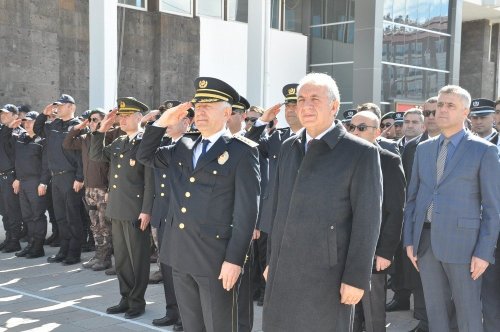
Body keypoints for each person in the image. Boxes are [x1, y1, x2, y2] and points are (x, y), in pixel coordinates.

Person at [136, 77, 260, 332]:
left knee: (220, 326)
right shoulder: (184, 144)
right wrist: (161, 122)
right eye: (198, 105)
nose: (200, 111)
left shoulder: (241, 152)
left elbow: (247, 213)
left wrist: (235, 260)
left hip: (215, 260)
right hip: (180, 254)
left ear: (227, 113)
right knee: (192, 326)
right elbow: (144, 155)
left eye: (208, 106)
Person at [262, 73, 383, 331]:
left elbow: (368, 220)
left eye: (314, 99)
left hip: (328, 275)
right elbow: (278, 210)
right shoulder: (289, 147)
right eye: (301, 99)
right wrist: (272, 259)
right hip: (283, 271)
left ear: (334, 106)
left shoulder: (360, 152)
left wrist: (356, 277)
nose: (305, 106)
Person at [403, 85, 500, 331]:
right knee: (436, 314)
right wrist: (409, 240)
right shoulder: (424, 149)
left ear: (465, 111)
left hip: (465, 246)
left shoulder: (484, 150)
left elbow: (492, 207)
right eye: (440, 105)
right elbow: (412, 198)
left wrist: (484, 252)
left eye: (450, 105)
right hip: (425, 243)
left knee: (468, 313)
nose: (441, 110)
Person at [89, 97, 154, 319]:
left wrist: (147, 209)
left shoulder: (146, 142)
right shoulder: (119, 142)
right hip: (117, 208)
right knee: (123, 259)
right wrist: (102, 130)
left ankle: (137, 301)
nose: (122, 120)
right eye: (121, 116)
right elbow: (96, 155)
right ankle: (125, 297)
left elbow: (150, 180)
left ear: (139, 117)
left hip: (136, 210)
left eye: (127, 116)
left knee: (138, 258)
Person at [349, 111, 406, 332]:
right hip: (344, 248)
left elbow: (395, 211)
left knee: (373, 313)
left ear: (377, 132)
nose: (355, 132)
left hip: (374, 250)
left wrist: (385, 251)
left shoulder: (389, 161)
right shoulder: (341, 159)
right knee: (348, 310)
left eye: (362, 128)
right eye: (352, 127)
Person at [141, 100, 189, 331]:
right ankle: (172, 311)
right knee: (167, 267)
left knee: (181, 270)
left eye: (174, 119)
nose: (169, 124)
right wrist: (157, 124)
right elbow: (141, 153)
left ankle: (184, 316)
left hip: (181, 218)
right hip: (163, 215)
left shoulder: (191, 146)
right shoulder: (165, 146)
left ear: (187, 122)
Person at [62, 108, 121, 271]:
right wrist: (79, 126)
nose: (92, 122)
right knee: (95, 225)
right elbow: (67, 143)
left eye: (96, 119)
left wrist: (110, 188)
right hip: (89, 189)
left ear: (104, 121)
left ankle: (106, 258)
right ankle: (99, 255)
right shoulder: (86, 138)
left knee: (106, 226)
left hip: (104, 188)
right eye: (91, 120)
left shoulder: (111, 136)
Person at [34, 94, 85, 265]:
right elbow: (37, 129)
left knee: (73, 217)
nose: (58, 108)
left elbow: (81, 155)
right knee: (60, 217)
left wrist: (80, 177)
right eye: (57, 106)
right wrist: (43, 114)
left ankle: (74, 252)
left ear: (71, 107)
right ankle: (63, 250)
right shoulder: (53, 125)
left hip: (71, 177)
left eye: (62, 106)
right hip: (56, 178)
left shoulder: (77, 126)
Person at [11, 111, 50, 258]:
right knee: (27, 216)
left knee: (37, 215)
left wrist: (43, 183)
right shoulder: (21, 138)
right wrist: (17, 178)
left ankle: (38, 247)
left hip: (36, 182)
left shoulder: (42, 140)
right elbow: (16, 160)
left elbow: (46, 165)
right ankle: (31, 244)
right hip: (23, 181)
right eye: (25, 122)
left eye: (30, 121)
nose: (26, 124)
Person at [0, 104, 24, 253]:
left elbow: (20, 159)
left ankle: (14, 241)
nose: (2, 115)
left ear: (15, 116)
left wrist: (17, 177)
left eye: (5, 114)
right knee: (4, 211)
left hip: (11, 176)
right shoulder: (3, 131)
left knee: (12, 211)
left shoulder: (18, 133)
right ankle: (9, 238)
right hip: (1, 177)